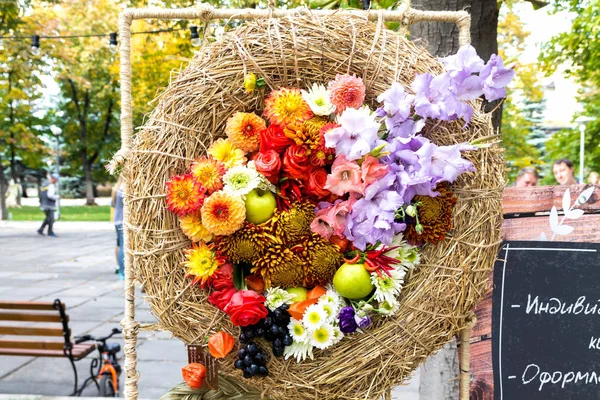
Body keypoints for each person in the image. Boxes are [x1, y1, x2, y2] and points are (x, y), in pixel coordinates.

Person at [111, 176, 125, 280]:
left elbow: (113, 204)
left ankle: (120, 269)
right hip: (123, 220)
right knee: (123, 246)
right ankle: (123, 271)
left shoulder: (116, 187)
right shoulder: (124, 188)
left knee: (119, 245)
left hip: (117, 220)